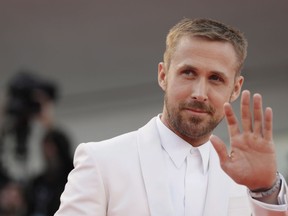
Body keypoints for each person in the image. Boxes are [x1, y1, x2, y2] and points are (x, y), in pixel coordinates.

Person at [54, 18, 288, 216]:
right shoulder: (102, 162)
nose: (199, 94)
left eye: (216, 78)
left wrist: (265, 190)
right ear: (163, 75)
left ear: (235, 89)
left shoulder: (248, 183)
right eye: (188, 73)